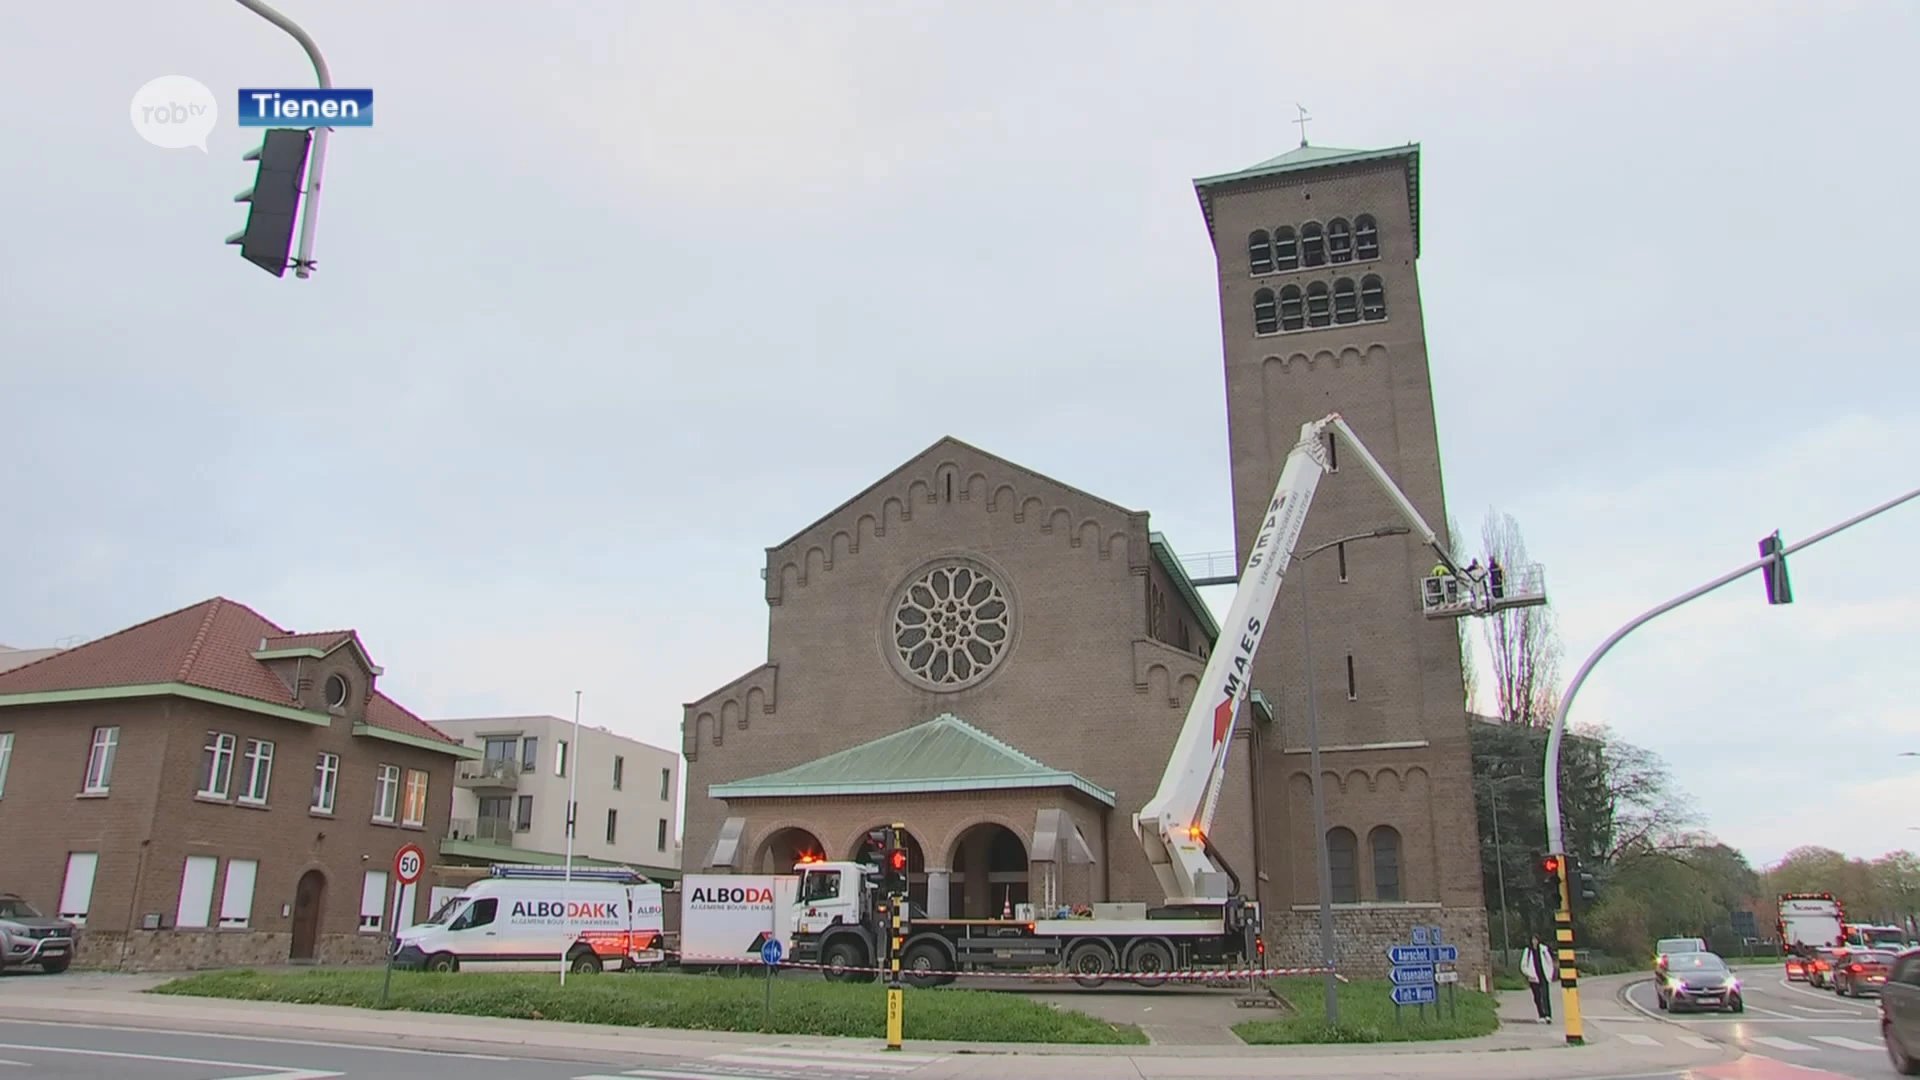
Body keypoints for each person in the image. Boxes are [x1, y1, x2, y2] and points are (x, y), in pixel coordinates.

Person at [1522, 933, 1557, 1022]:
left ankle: (1548, 1015)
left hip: (1543, 975)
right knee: (1537, 997)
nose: (1534, 942)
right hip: (1534, 977)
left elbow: (1549, 962)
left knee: (1545, 996)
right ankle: (1541, 1015)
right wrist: (1529, 974)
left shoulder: (1544, 950)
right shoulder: (1528, 951)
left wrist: (1550, 974)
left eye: (1536, 940)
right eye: (1533, 940)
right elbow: (1523, 965)